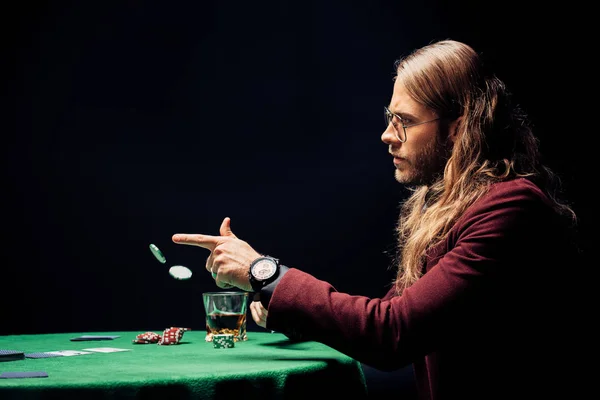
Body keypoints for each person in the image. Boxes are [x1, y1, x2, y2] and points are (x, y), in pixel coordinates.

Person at [172, 39, 580, 399]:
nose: (387, 134)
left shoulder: (511, 209)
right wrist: (280, 302)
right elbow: (387, 314)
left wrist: (264, 273)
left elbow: (392, 333)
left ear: (458, 128)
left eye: (404, 121)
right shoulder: (456, 206)